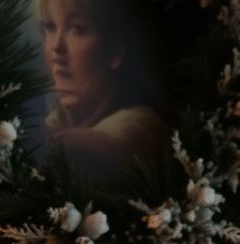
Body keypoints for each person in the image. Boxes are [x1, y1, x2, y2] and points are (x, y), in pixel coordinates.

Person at [38, 0, 170, 177]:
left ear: (114, 54)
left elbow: (100, 149)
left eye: (77, 29)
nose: (57, 46)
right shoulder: (57, 120)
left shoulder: (142, 128)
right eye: (50, 27)